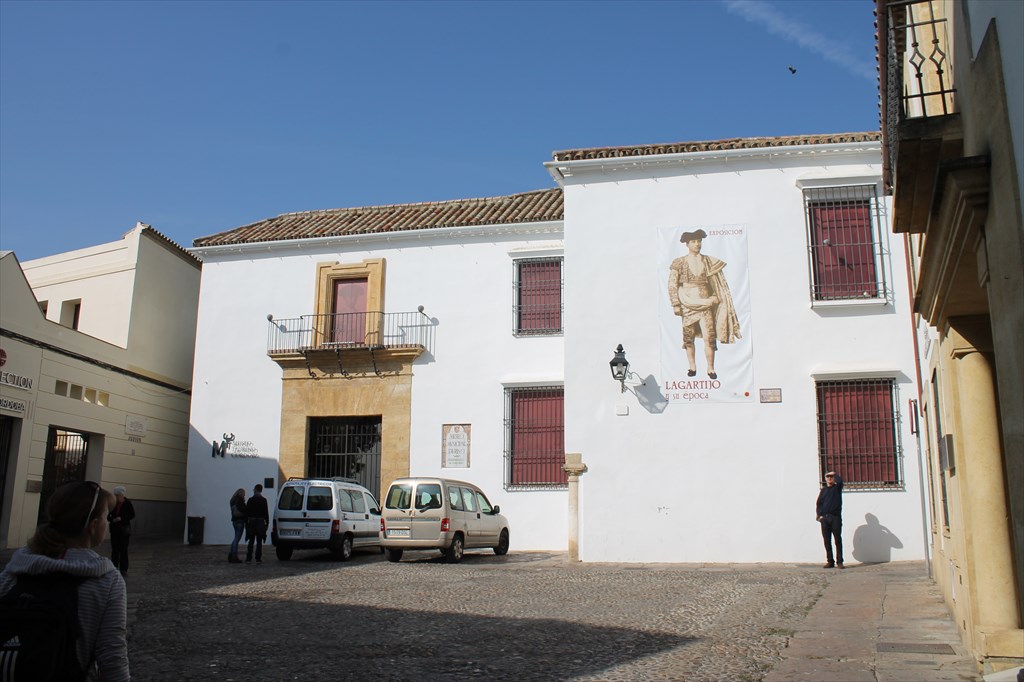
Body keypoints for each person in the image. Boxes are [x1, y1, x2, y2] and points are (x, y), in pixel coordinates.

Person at [0, 481, 131, 681]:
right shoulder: (107, 581)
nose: (107, 522)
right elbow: (112, 656)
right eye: (105, 517)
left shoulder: (16, 568)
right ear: (93, 526)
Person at [667, 229, 741, 379]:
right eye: (694, 241)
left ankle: (710, 368)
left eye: (699, 241)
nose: (697, 244)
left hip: (706, 304)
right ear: (687, 244)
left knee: (709, 337)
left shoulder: (708, 261)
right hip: (687, 303)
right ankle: (692, 366)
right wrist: (675, 303)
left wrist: (715, 297)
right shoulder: (679, 262)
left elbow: (717, 283)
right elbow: (672, 284)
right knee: (688, 338)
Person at [816, 471, 845, 569]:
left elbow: (840, 481)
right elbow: (819, 503)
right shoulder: (823, 490)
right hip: (825, 518)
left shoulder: (837, 488)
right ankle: (830, 561)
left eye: (831, 476)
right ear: (825, 478)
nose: (829, 478)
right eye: (828, 476)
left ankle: (839, 562)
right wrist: (819, 515)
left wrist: (835, 474)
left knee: (837, 540)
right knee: (827, 541)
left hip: (835, 517)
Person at [107, 485, 135, 577]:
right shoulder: (113, 504)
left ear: (122, 495)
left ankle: (123, 569)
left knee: (123, 549)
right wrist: (112, 519)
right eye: (115, 495)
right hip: (114, 530)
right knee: (115, 550)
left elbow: (132, 515)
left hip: (124, 530)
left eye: (117, 495)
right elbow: (108, 516)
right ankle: (114, 568)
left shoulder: (127, 503)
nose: (116, 497)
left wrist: (121, 518)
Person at [244, 484, 270, 564]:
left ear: (255, 489)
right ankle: (258, 559)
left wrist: (246, 522)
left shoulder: (250, 500)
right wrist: (267, 523)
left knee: (251, 541)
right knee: (259, 542)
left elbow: (247, 512)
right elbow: (266, 513)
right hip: (260, 522)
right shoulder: (264, 500)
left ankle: (248, 558)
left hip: (252, 522)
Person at [228, 488, 247, 563]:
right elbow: (243, 509)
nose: (244, 495)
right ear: (241, 493)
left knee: (235, 538)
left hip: (234, 520)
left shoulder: (232, 500)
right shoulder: (240, 500)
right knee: (237, 539)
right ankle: (234, 556)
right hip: (240, 520)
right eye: (244, 494)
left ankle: (231, 554)